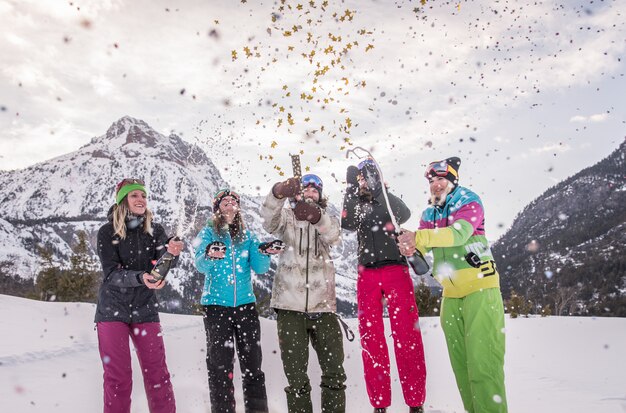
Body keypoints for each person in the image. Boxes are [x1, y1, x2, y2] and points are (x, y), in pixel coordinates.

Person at [398, 157, 508, 413]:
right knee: (462, 368)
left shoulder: (469, 200)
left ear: (452, 180)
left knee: (484, 366)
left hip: (481, 289)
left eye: (441, 179)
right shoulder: (429, 213)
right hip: (451, 295)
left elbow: (459, 233)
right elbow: (422, 246)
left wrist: (420, 236)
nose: (436, 185)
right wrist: (409, 243)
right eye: (432, 181)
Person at [341, 159, 427, 413]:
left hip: (395, 270)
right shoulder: (357, 204)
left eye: (368, 176)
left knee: (407, 335)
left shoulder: (387, 201)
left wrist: (381, 188)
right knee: (371, 338)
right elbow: (346, 221)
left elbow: (405, 213)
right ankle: (379, 403)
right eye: (361, 178)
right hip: (367, 274)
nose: (364, 181)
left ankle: (415, 402)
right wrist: (349, 187)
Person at [95, 178, 183, 413]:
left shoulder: (154, 230)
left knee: (158, 375)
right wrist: (140, 278)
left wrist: (172, 253)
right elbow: (111, 273)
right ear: (123, 200)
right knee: (118, 378)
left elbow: (163, 261)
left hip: (145, 309)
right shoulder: (107, 232)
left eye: (143, 195)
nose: (141, 199)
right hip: (112, 311)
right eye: (134, 195)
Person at [261, 174, 347, 413]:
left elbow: (334, 237)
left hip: (324, 308)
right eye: (306, 189)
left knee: (334, 374)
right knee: (296, 380)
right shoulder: (286, 218)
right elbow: (268, 221)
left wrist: (316, 217)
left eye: (315, 190)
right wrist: (278, 192)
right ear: (298, 193)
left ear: (321, 195)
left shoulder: (327, 219)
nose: (310, 192)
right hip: (290, 308)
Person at [194, 189, 281, 413]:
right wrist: (210, 255)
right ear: (218, 208)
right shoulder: (208, 233)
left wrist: (264, 252)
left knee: (253, 367)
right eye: (225, 202)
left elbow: (260, 269)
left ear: (238, 208)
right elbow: (200, 265)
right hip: (216, 308)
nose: (230, 204)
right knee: (220, 369)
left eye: (233, 201)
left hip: (245, 307)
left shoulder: (247, 235)